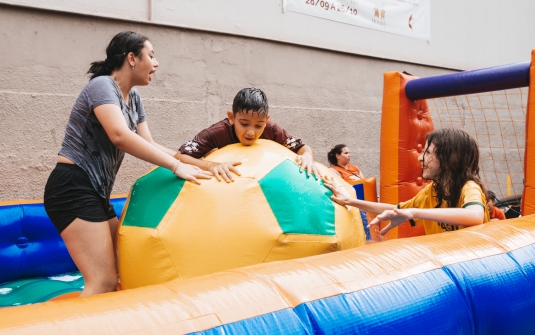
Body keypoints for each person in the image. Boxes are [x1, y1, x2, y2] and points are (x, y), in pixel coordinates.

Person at [43, 31, 212, 297]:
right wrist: (174, 166)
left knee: (124, 268)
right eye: (152, 56)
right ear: (132, 58)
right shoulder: (102, 86)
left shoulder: (133, 99)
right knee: (103, 282)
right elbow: (121, 136)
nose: (156, 64)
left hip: (95, 192)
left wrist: (200, 163)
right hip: (72, 187)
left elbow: (149, 143)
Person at [324, 128, 490, 236]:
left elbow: (474, 215)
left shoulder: (468, 188)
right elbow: (397, 210)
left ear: (448, 159)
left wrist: (415, 212)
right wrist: (350, 201)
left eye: (427, 152)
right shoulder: (432, 191)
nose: (420, 157)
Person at [175, 87, 320, 182]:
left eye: (258, 125)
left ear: (266, 120)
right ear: (231, 117)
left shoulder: (271, 129)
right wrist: (210, 165)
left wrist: (307, 156)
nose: (251, 132)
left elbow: (302, 147)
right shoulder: (216, 133)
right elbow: (180, 156)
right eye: (244, 124)